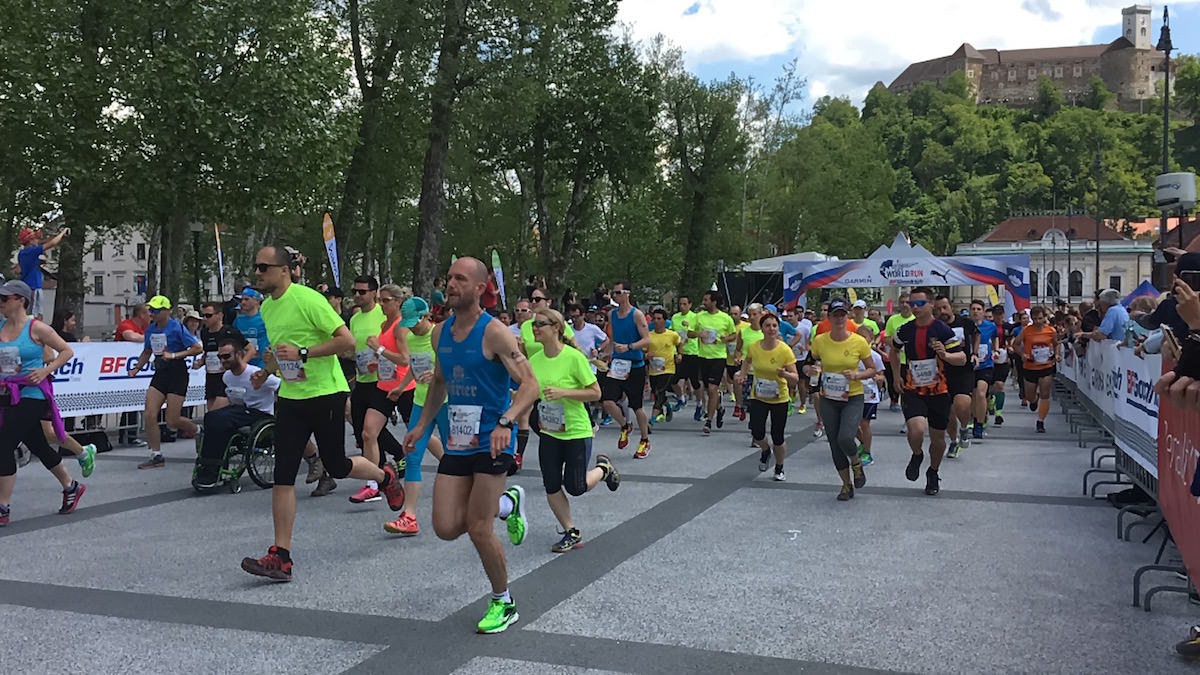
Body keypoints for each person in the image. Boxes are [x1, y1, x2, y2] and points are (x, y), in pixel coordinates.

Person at [239, 245, 404, 583]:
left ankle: (386, 477)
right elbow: (279, 349)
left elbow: (346, 342)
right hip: (290, 396)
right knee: (283, 476)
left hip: (326, 394)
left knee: (339, 466)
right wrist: (266, 368)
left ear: (284, 270)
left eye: (263, 267)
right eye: (256, 267)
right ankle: (280, 556)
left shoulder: (308, 300)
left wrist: (303, 352)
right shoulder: (268, 307)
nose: (258, 273)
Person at [401, 256, 538, 634]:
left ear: (480, 288)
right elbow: (440, 383)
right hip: (458, 439)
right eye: (449, 278)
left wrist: (507, 422)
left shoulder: (495, 333)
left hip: (493, 439)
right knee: (445, 526)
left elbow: (530, 385)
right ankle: (508, 503)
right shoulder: (439, 333)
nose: (452, 285)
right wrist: (422, 426)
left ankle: (503, 602)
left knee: (479, 527)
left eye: (460, 279)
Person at [527, 307, 620, 552]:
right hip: (549, 431)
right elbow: (530, 392)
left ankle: (603, 469)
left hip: (576, 431)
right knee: (551, 484)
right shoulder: (534, 360)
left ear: (556, 328)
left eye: (540, 325)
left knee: (576, 487)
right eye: (533, 325)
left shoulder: (573, 357)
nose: (534, 329)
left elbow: (596, 393)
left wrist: (564, 393)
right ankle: (571, 532)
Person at [0, 280, 86, 525]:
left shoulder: (37, 328)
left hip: (33, 393)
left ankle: (2, 506)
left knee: (4, 443)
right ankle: (71, 486)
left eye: (5, 299)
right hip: (8, 391)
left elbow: (67, 351)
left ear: (20, 300)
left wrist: (46, 370)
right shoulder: (0, 326)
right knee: (37, 445)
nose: (1, 303)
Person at [889, 287, 966, 496]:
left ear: (930, 305)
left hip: (939, 391)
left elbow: (962, 358)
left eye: (920, 303)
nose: (914, 307)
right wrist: (896, 375)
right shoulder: (905, 330)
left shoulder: (942, 330)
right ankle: (916, 454)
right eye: (912, 303)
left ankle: (933, 472)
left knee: (938, 438)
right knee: (916, 429)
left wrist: (947, 356)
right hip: (913, 389)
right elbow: (893, 350)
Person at [383, 294, 443, 536]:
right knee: (412, 455)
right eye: (408, 324)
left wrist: (438, 374)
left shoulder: (439, 334)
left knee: (460, 455)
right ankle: (409, 516)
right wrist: (401, 386)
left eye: (415, 323)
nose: (412, 329)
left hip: (446, 401)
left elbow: (454, 365)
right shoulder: (411, 335)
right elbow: (414, 367)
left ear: (426, 316)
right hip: (421, 401)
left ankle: (480, 498)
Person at [805, 299, 875, 499]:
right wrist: (809, 369)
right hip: (829, 397)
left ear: (848, 316)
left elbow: (872, 369)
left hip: (852, 396)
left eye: (842, 314)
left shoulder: (858, 341)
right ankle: (846, 485)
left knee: (845, 437)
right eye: (835, 314)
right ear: (829, 318)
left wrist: (857, 375)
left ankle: (856, 463)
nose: (839, 318)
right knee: (834, 444)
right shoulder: (820, 341)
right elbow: (809, 364)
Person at [347, 275, 406, 505]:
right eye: (355, 291)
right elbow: (358, 346)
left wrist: (379, 353)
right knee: (366, 432)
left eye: (363, 292)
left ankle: (454, 474)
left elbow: (402, 356)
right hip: (367, 378)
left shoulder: (390, 319)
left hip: (392, 382)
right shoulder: (355, 319)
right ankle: (377, 479)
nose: (357, 296)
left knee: (422, 432)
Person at [127, 295, 203, 469]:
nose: (151, 313)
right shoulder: (150, 329)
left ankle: (198, 430)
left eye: (156, 310)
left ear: (167, 311)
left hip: (177, 372)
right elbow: (147, 351)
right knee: (149, 414)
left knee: (172, 420)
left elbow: (197, 348)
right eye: (150, 310)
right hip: (160, 372)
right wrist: (136, 368)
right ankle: (156, 455)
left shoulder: (176, 328)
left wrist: (175, 355)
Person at [193, 337, 279, 489]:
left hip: (260, 415)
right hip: (241, 412)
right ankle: (209, 466)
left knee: (221, 418)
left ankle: (212, 469)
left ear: (239, 354)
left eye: (226, 356)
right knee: (211, 417)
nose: (222, 360)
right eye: (220, 357)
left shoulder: (256, 374)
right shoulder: (227, 376)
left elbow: (281, 387)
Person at [736, 311, 799, 481]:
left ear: (778, 328)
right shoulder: (754, 347)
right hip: (759, 396)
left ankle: (779, 467)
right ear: (762, 328)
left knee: (777, 436)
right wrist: (742, 374)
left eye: (774, 326)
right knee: (756, 431)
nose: (771, 329)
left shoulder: (784, 350)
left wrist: (785, 374)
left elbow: (795, 377)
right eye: (767, 325)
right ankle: (765, 450)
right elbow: (747, 361)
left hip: (779, 398)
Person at [601, 280, 651, 457]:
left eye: (618, 292)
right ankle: (624, 425)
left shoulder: (637, 315)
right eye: (613, 293)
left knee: (637, 406)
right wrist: (606, 352)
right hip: (618, 365)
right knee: (607, 400)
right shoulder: (612, 315)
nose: (615, 296)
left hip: (635, 365)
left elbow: (647, 340)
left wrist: (629, 347)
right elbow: (613, 338)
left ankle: (644, 440)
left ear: (627, 294)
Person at [935, 295, 978, 458]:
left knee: (962, 403)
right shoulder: (935, 326)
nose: (942, 311)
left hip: (963, 369)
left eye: (944, 307)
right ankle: (953, 442)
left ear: (951, 307)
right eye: (938, 309)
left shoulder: (965, 322)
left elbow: (976, 334)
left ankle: (965, 428)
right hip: (943, 373)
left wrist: (974, 353)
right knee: (948, 413)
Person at [690, 290, 737, 435]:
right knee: (709, 390)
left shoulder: (725, 318)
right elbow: (689, 333)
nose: (704, 302)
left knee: (712, 389)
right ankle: (719, 408)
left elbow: (734, 334)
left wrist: (723, 339)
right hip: (703, 357)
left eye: (706, 300)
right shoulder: (699, 316)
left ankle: (709, 421)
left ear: (714, 302)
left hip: (718, 357)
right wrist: (699, 334)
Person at [1012, 305, 1058, 433]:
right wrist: (1022, 355)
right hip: (1030, 367)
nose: (1038, 321)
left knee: (1045, 394)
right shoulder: (1026, 331)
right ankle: (1034, 399)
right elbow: (1015, 344)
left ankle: (1041, 421)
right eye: (1035, 318)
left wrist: (1057, 354)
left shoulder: (1051, 331)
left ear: (1045, 318)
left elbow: (1056, 344)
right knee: (1029, 395)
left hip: (1046, 366)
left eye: (1040, 318)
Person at [193, 301, 243, 413]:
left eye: (208, 315)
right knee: (212, 414)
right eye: (203, 315)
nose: (205, 319)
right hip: (210, 377)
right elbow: (207, 352)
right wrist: (201, 362)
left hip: (225, 378)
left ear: (219, 315)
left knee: (215, 413)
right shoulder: (204, 333)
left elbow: (249, 349)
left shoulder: (229, 332)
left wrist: (239, 367)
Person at [16, 227, 67, 318]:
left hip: (33, 287)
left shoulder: (24, 253)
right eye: (35, 238)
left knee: (38, 316)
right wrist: (62, 233)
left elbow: (43, 243)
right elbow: (52, 243)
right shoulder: (32, 251)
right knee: (31, 317)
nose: (37, 240)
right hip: (32, 288)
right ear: (30, 241)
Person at [854, 324, 886, 467]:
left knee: (864, 423)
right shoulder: (852, 354)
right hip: (853, 394)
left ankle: (867, 452)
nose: (861, 340)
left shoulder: (875, 356)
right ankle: (862, 442)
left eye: (864, 337)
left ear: (871, 339)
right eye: (858, 337)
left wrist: (879, 381)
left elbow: (881, 376)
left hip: (869, 395)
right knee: (851, 424)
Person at [646, 308, 682, 426]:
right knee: (657, 393)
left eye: (659, 319)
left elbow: (679, 343)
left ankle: (651, 420)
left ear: (664, 321)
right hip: (653, 370)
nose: (656, 321)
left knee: (659, 391)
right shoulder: (648, 336)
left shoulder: (672, 335)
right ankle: (667, 405)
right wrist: (646, 355)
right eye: (654, 319)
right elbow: (643, 352)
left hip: (668, 369)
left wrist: (679, 355)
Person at [969, 300, 998, 442]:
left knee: (981, 393)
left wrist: (996, 350)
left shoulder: (990, 326)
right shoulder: (966, 326)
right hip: (969, 366)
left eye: (978, 309)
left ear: (983, 311)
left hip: (986, 365)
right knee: (973, 396)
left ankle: (979, 425)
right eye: (973, 309)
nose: (975, 311)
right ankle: (975, 418)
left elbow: (995, 338)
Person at [883, 293, 915, 412]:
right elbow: (886, 337)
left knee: (910, 389)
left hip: (912, 360)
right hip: (897, 358)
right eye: (902, 302)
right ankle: (895, 400)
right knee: (896, 383)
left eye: (907, 302)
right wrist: (897, 345)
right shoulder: (893, 319)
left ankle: (909, 414)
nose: (905, 305)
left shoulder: (916, 319)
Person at [670, 295, 701, 415]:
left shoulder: (695, 317)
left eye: (684, 304)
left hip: (692, 352)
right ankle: (681, 398)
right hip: (678, 352)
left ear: (690, 304)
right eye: (680, 304)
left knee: (695, 382)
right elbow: (672, 332)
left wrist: (691, 336)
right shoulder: (675, 317)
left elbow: (696, 332)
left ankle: (699, 404)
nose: (682, 306)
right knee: (673, 380)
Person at [233, 287, 270, 368]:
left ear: (257, 301)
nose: (243, 302)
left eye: (247, 299)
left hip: (261, 364)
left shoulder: (265, 319)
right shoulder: (238, 320)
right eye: (242, 300)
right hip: (244, 363)